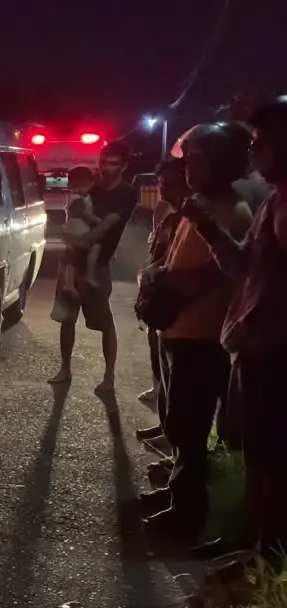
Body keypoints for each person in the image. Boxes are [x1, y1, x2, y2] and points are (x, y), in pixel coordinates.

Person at [180, 97, 287, 558]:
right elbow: (244, 267)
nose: (253, 154)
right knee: (258, 457)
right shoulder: (276, 201)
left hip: (276, 355)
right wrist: (206, 227)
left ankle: (265, 558)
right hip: (255, 351)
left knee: (274, 462)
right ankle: (251, 546)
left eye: (261, 143)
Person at [137, 123, 253, 544]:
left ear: (223, 164)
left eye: (199, 161)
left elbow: (213, 277)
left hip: (201, 336)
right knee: (179, 423)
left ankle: (187, 515)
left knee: (189, 427)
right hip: (179, 331)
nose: (189, 169)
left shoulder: (230, 213)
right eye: (190, 160)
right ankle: (177, 496)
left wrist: (161, 281)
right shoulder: (199, 206)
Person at [48, 141, 139, 392]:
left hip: (96, 264)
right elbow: (71, 214)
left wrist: (81, 234)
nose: (106, 168)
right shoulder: (90, 186)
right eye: (104, 161)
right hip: (71, 260)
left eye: (113, 163)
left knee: (104, 323)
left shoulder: (126, 193)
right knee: (67, 318)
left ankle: (109, 377)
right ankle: (65, 369)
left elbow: (106, 227)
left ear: (123, 166)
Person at [136, 159, 189, 454]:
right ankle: (165, 426)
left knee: (177, 384)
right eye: (160, 184)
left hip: (176, 313)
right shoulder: (171, 215)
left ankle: (174, 444)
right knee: (161, 372)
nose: (162, 189)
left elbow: (172, 264)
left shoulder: (190, 218)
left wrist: (155, 275)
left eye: (168, 183)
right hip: (160, 308)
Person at [55, 167, 103, 307]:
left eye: (83, 185)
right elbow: (86, 216)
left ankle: (70, 284)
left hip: (73, 231)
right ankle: (89, 274)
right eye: (77, 186)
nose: (81, 189)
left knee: (72, 258)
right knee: (94, 248)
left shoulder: (77, 198)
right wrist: (100, 222)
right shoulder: (78, 200)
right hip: (77, 231)